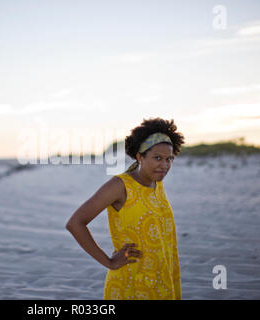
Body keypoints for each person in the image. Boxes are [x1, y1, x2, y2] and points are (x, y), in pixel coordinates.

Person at [66, 117, 185, 300]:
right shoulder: (120, 186)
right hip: (132, 283)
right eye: (158, 158)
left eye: (169, 159)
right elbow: (75, 223)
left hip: (163, 280)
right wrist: (109, 262)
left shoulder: (156, 183)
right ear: (140, 156)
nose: (165, 165)